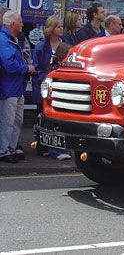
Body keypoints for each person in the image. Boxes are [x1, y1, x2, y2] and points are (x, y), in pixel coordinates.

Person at [31, 15, 72, 161]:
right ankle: (45, 148)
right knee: (44, 120)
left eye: (62, 26)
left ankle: (57, 148)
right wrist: (46, 78)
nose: (62, 29)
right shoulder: (41, 46)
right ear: (51, 28)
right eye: (58, 26)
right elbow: (36, 68)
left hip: (61, 86)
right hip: (44, 88)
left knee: (58, 119)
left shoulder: (66, 43)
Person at [0, 11, 35, 163]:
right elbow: (9, 65)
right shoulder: (4, 40)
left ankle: (10, 148)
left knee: (16, 120)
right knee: (8, 121)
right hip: (9, 88)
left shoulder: (9, 39)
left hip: (15, 87)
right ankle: (3, 151)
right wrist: (26, 69)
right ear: (13, 24)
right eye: (20, 22)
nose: (22, 24)